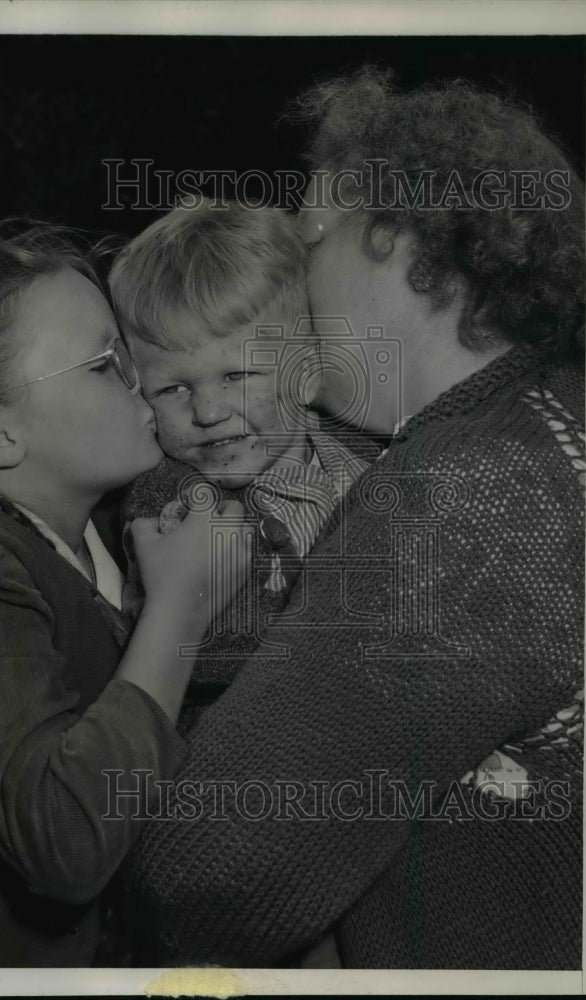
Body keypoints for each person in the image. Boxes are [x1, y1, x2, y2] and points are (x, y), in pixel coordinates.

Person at [124, 68, 585, 969]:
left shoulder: (460, 497)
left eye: (310, 236)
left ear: (390, 235)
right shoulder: (557, 414)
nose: (297, 275)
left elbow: (204, 877)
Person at [0, 224, 251, 967]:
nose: (140, 382)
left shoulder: (109, 539)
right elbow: (65, 839)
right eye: (102, 364)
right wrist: (182, 609)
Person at [109, 201, 375, 730]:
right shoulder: (176, 508)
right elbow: (203, 653)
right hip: (256, 748)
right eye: (173, 388)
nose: (207, 412)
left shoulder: (369, 450)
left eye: (237, 375)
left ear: (310, 366)